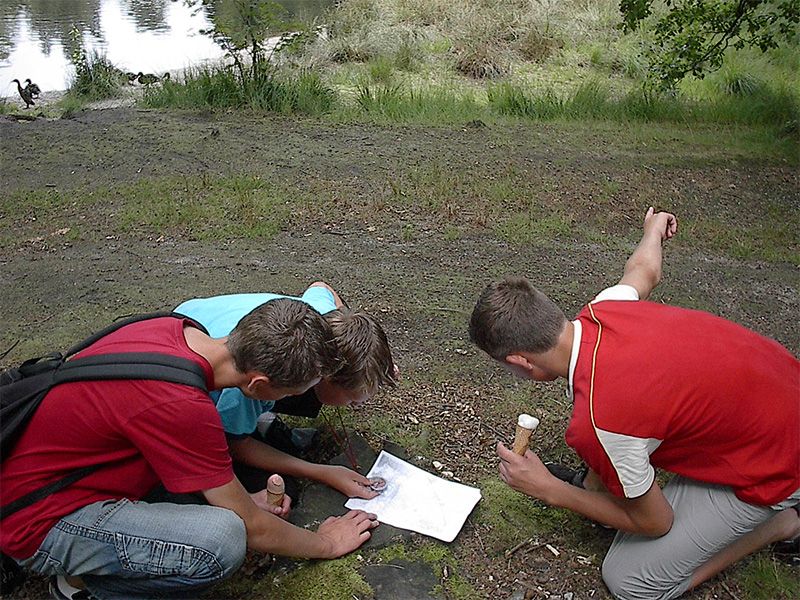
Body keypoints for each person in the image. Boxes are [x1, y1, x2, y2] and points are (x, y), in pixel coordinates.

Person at [468, 208, 799, 600]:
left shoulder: (602, 421)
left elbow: (657, 522)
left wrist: (549, 489)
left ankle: (783, 525)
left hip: (778, 465)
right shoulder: (605, 310)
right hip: (781, 393)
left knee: (629, 580)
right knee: (617, 452)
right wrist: (653, 230)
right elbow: (643, 270)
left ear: (519, 361)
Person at [0, 299, 379, 600]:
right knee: (221, 540)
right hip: (37, 521)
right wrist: (326, 543)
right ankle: (82, 585)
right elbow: (253, 528)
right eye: (292, 395)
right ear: (259, 384)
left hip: (56, 474)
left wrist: (243, 500)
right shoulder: (182, 407)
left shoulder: (177, 330)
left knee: (230, 504)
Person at [174, 281, 398, 502]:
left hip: (195, 319)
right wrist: (320, 472)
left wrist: (373, 363)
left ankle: (261, 423)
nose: (357, 406)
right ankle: (260, 424)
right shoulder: (248, 383)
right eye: (352, 401)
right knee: (282, 490)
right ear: (327, 374)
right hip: (182, 345)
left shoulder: (327, 320)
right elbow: (234, 444)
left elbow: (321, 286)